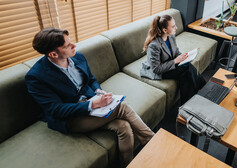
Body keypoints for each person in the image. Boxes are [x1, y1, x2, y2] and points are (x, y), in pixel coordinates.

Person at [25, 28, 154, 168]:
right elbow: (56, 110)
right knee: (123, 106)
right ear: (53, 54)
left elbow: (91, 79)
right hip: (70, 119)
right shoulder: (36, 77)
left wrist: (98, 91)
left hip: (91, 104)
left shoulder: (77, 57)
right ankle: (152, 141)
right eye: (68, 46)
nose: (74, 45)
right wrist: (92, 105)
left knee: (124, 127)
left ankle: (128, 164)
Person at [140, 15, 206, 104]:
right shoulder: (154, 45)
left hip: (169, 63)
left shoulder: (170, 37)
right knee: (186, 68)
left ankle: (192, 100)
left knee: (187, 69)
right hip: (160, 70)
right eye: (173, 26)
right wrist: (175, 61)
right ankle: (204, 90)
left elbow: (175, 52)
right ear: (164, 30)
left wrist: (183, 57)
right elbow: (156, 69)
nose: (176, 27)